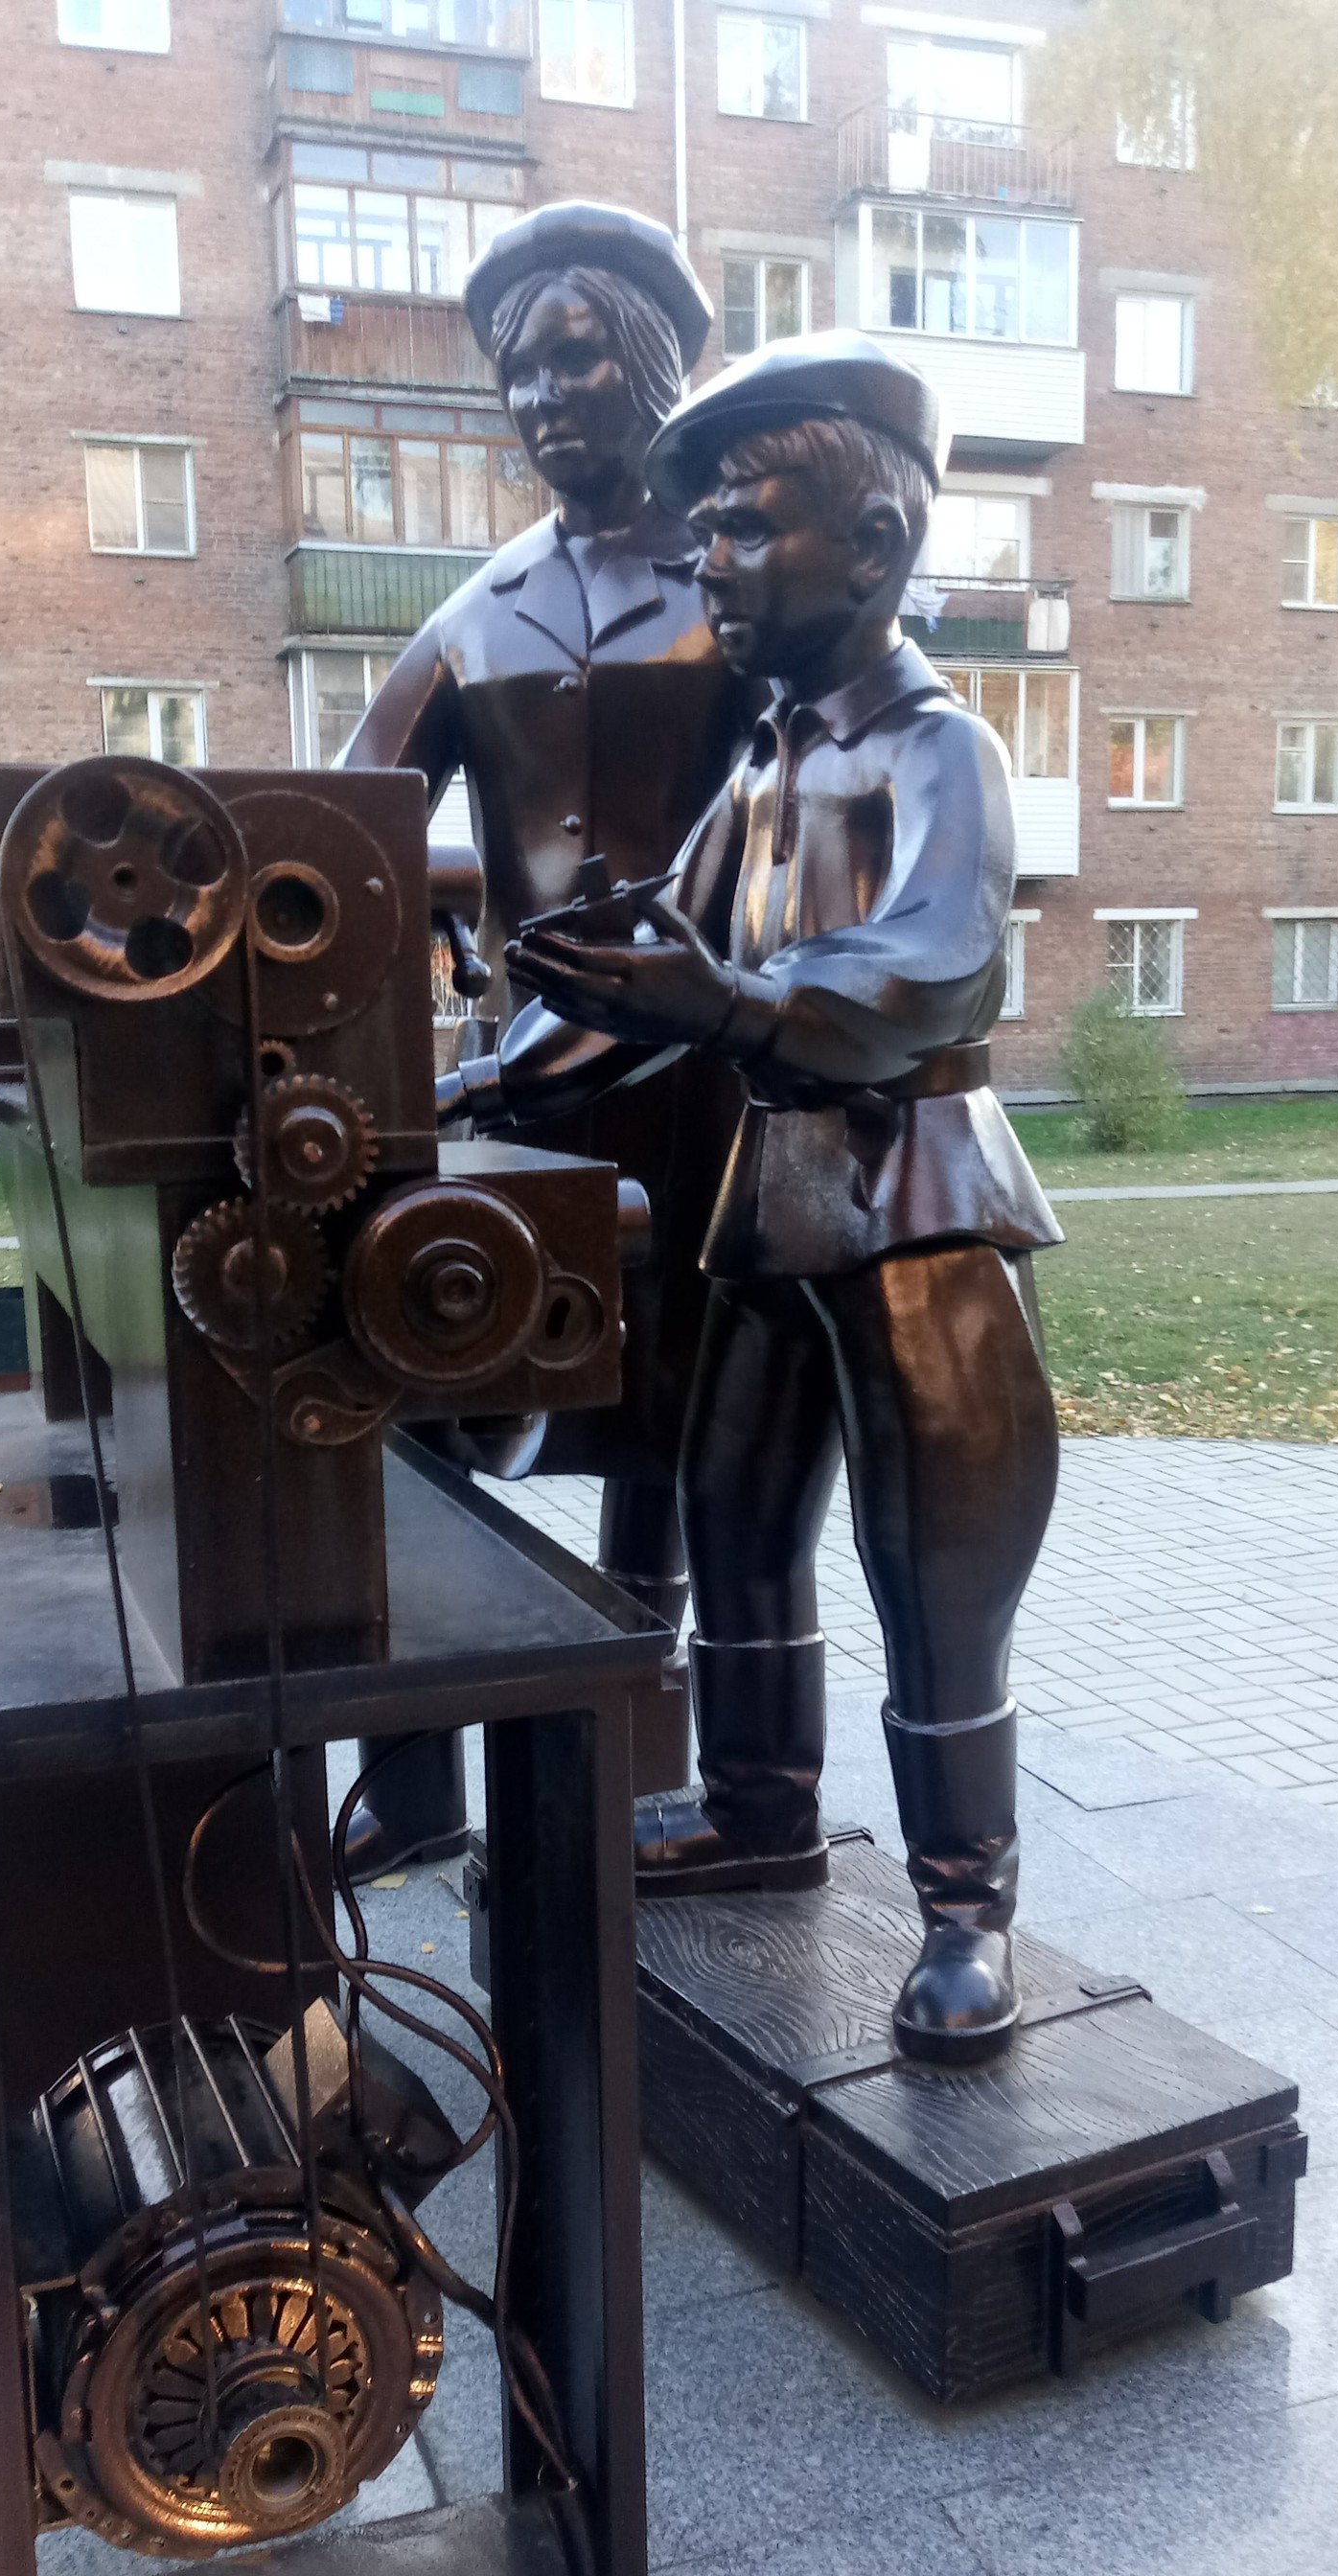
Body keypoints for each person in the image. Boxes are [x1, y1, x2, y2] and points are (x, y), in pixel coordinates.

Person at [476, 331, 1063, 2064]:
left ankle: (967, 1906)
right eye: (705, 529)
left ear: (871, 552)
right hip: (779, 1205)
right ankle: (756, 1803)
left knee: (930, 1562)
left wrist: (725, 1006)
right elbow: (649, 966)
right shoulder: (763, 768)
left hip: (917, 1211)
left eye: (744, 529)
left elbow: (935, 968)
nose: (709, 563)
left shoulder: (938, 751)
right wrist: (481, 1073)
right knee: (736, 1513)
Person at [339, 202, 752, 1869]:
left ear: (652, 364)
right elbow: (357, 816)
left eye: (578, 355)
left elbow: (821, 798)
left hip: (718, 1078)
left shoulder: (744, 580)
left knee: (687, 1420)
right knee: (400, 1369)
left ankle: (666, 1747)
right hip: (529, 1088)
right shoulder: (477, 610)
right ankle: (420, 1774)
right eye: (521, 369)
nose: (547, 393)